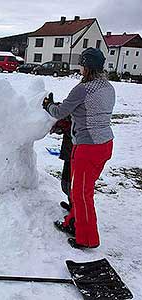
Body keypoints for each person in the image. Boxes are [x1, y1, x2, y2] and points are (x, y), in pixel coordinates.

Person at [42, 47, 115, 249]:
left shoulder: (83, 89)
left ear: (88, 67)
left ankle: (87, 238)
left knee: (82, 194)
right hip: (105, 144)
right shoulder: (108, 87)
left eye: (82, 65)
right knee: (80, 191)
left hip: (88, 147)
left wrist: (47, 105)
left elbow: (60, 111)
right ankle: (73, 222)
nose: (80, 68)